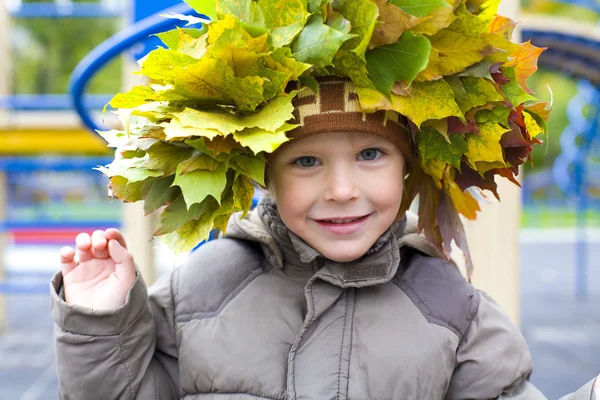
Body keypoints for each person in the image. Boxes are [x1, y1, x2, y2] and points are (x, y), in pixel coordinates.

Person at [50, 1, 599, 399]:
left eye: (371, 156)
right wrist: (99, 321)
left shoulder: (451, 308)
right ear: (264, 171)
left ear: (409, 165)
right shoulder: (202, 290)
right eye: (307, 162)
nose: (341, 190)